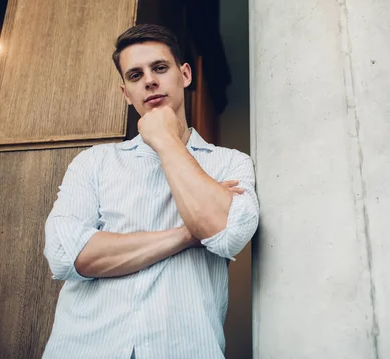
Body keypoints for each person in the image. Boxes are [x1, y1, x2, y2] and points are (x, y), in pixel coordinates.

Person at [42, 24, 259, 359]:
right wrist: (189, 233)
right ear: (127, 94)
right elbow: (65, 255)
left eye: (160, 68)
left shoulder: (231, 163)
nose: (149, 80)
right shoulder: (93, 162)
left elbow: (226, 235)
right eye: (135, 75)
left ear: (184, 75)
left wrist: (164, 139)